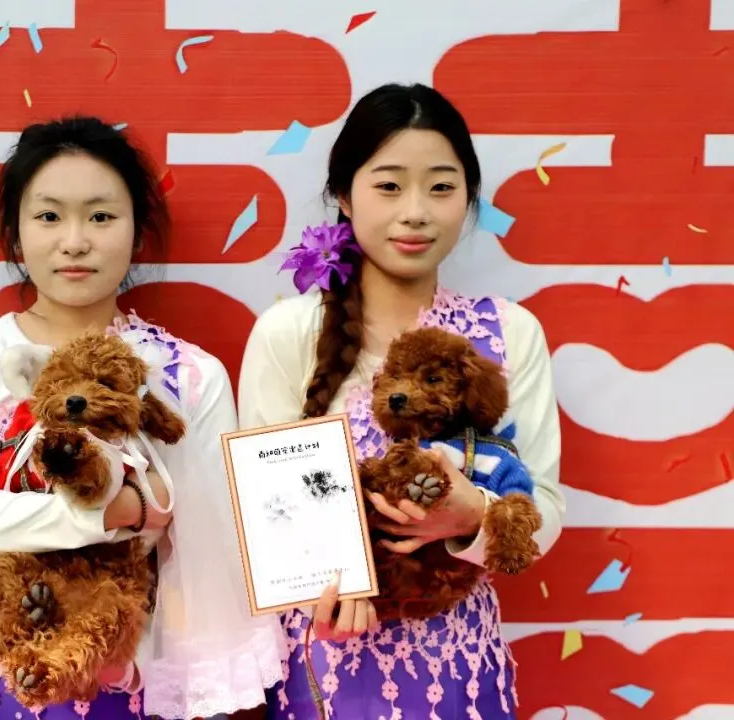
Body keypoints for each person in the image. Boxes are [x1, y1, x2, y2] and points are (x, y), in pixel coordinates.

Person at [0, 116, 285, 719]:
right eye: (48, 216)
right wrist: (111, 514)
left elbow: (209, 557)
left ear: (137, 231)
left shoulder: (189, 375)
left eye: (101, 216)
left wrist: (198, 691)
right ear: (15, 233)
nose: (75, 241)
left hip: (131, 674)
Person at [238, 83, 565, 719]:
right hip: (325, 661)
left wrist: (471, 516)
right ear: (343, 194)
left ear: (468, 198)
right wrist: (318, 593)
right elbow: (259, 516)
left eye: (441, 187)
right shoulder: (288, 333)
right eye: (389, 186)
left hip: (460, 667)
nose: (415, 212)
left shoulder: (508, 331)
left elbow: (544, 507)